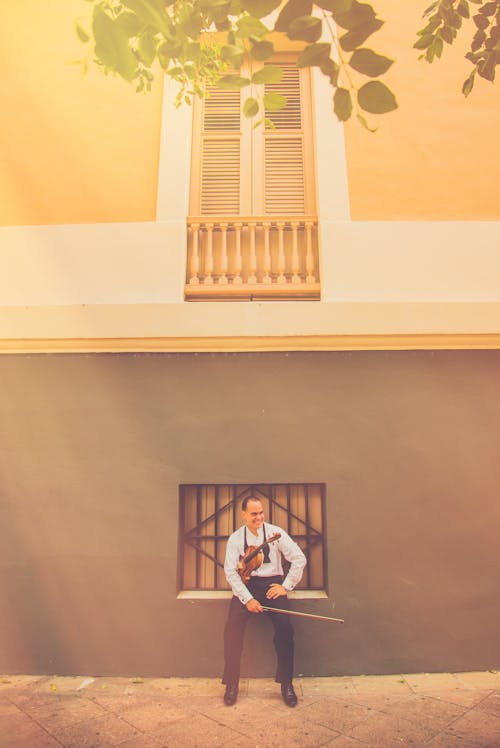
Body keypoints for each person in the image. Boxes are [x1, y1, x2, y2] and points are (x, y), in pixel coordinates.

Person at [222, 496, 307, 707]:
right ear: (243, 515)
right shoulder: (235, 539)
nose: (259, 517)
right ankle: (231, 684)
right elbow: (231, 572)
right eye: (253, 514)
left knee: (285, 630)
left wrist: (285, 587)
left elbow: (299, 558)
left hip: (272, 586)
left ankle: (286, 684)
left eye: (261, 512)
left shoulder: (275, 534)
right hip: (247, 585)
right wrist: (248, 599)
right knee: (232, 630)